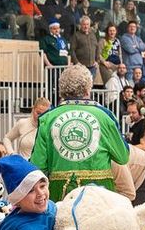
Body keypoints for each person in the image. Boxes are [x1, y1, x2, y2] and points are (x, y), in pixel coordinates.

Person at [30, 65, 129, 201]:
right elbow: (123, 156)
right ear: (88, 88)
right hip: (99, 194)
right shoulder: (105, 116)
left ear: (61, 90)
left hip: (60, 194)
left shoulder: (47, 118)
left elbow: (37, 165)